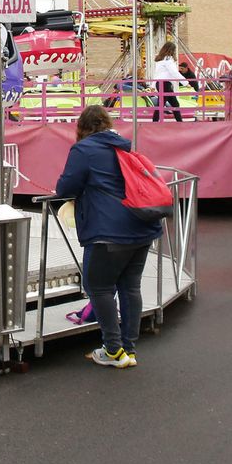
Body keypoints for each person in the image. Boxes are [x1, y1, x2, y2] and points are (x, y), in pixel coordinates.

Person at [54, 105, 163, 369]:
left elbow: (65, 187)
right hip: (140, 227)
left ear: (82, 127)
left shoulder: (84, 150)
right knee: (130, 287)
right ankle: (128, 349)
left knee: (98, 287)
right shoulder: (123, 147)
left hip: (107, 231)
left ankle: (112, 349)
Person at [151, 42, 185, 123]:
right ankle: (155, 122)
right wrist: (186, 83)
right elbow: (174, 72)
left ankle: (179, 122)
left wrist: (153, 85)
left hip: (160, 83)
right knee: (166, 104)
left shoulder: (160, 59)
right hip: (165, 83)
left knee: (172, 104)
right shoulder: (168, 59)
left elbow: (157, 73)